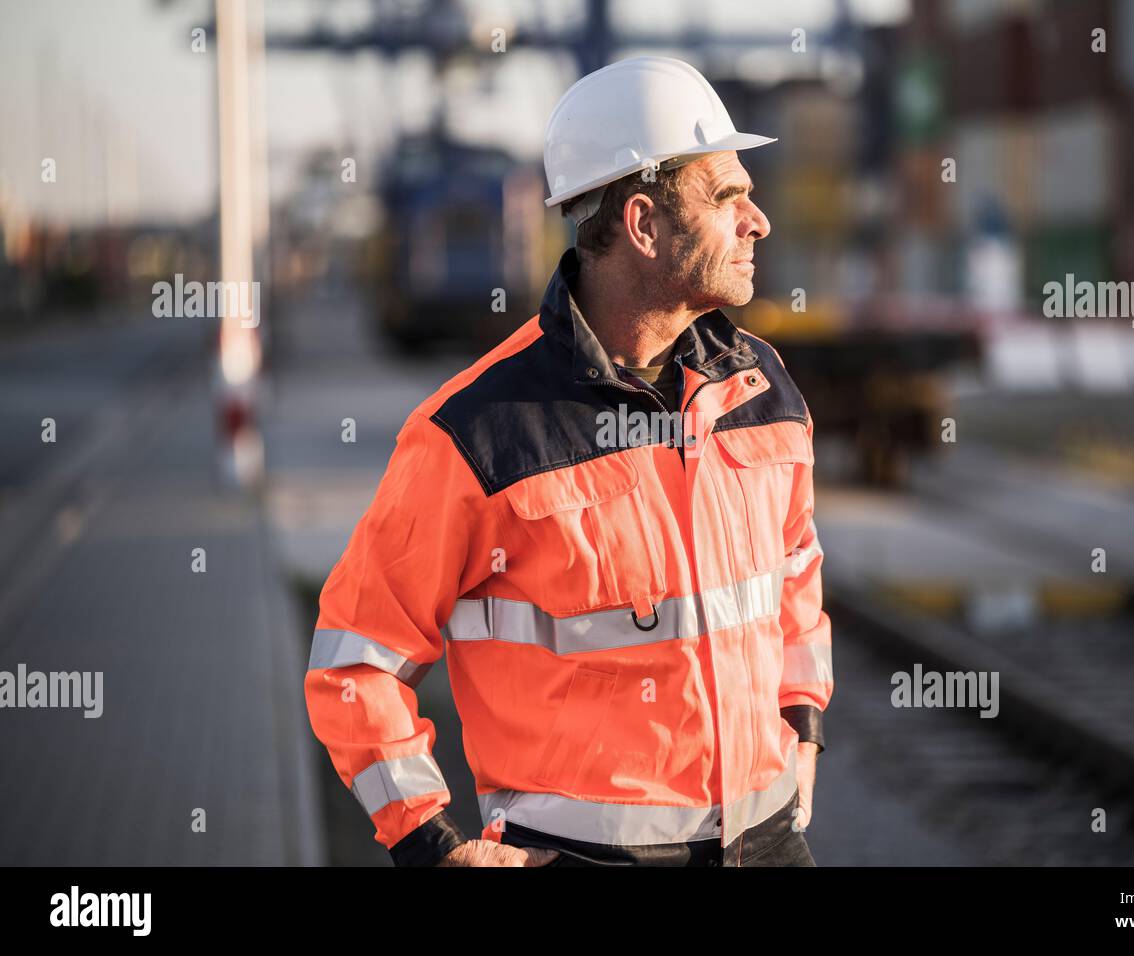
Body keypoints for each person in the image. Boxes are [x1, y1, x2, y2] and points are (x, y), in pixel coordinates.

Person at [304, 55, 833, 867]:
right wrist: (429, 841)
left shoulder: (761, 387)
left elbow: (796, 574)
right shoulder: (477, 432)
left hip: (768, 844)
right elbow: (354, 659)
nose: (757, 220)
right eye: (728, 195)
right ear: (644, 224)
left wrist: (802, 726)